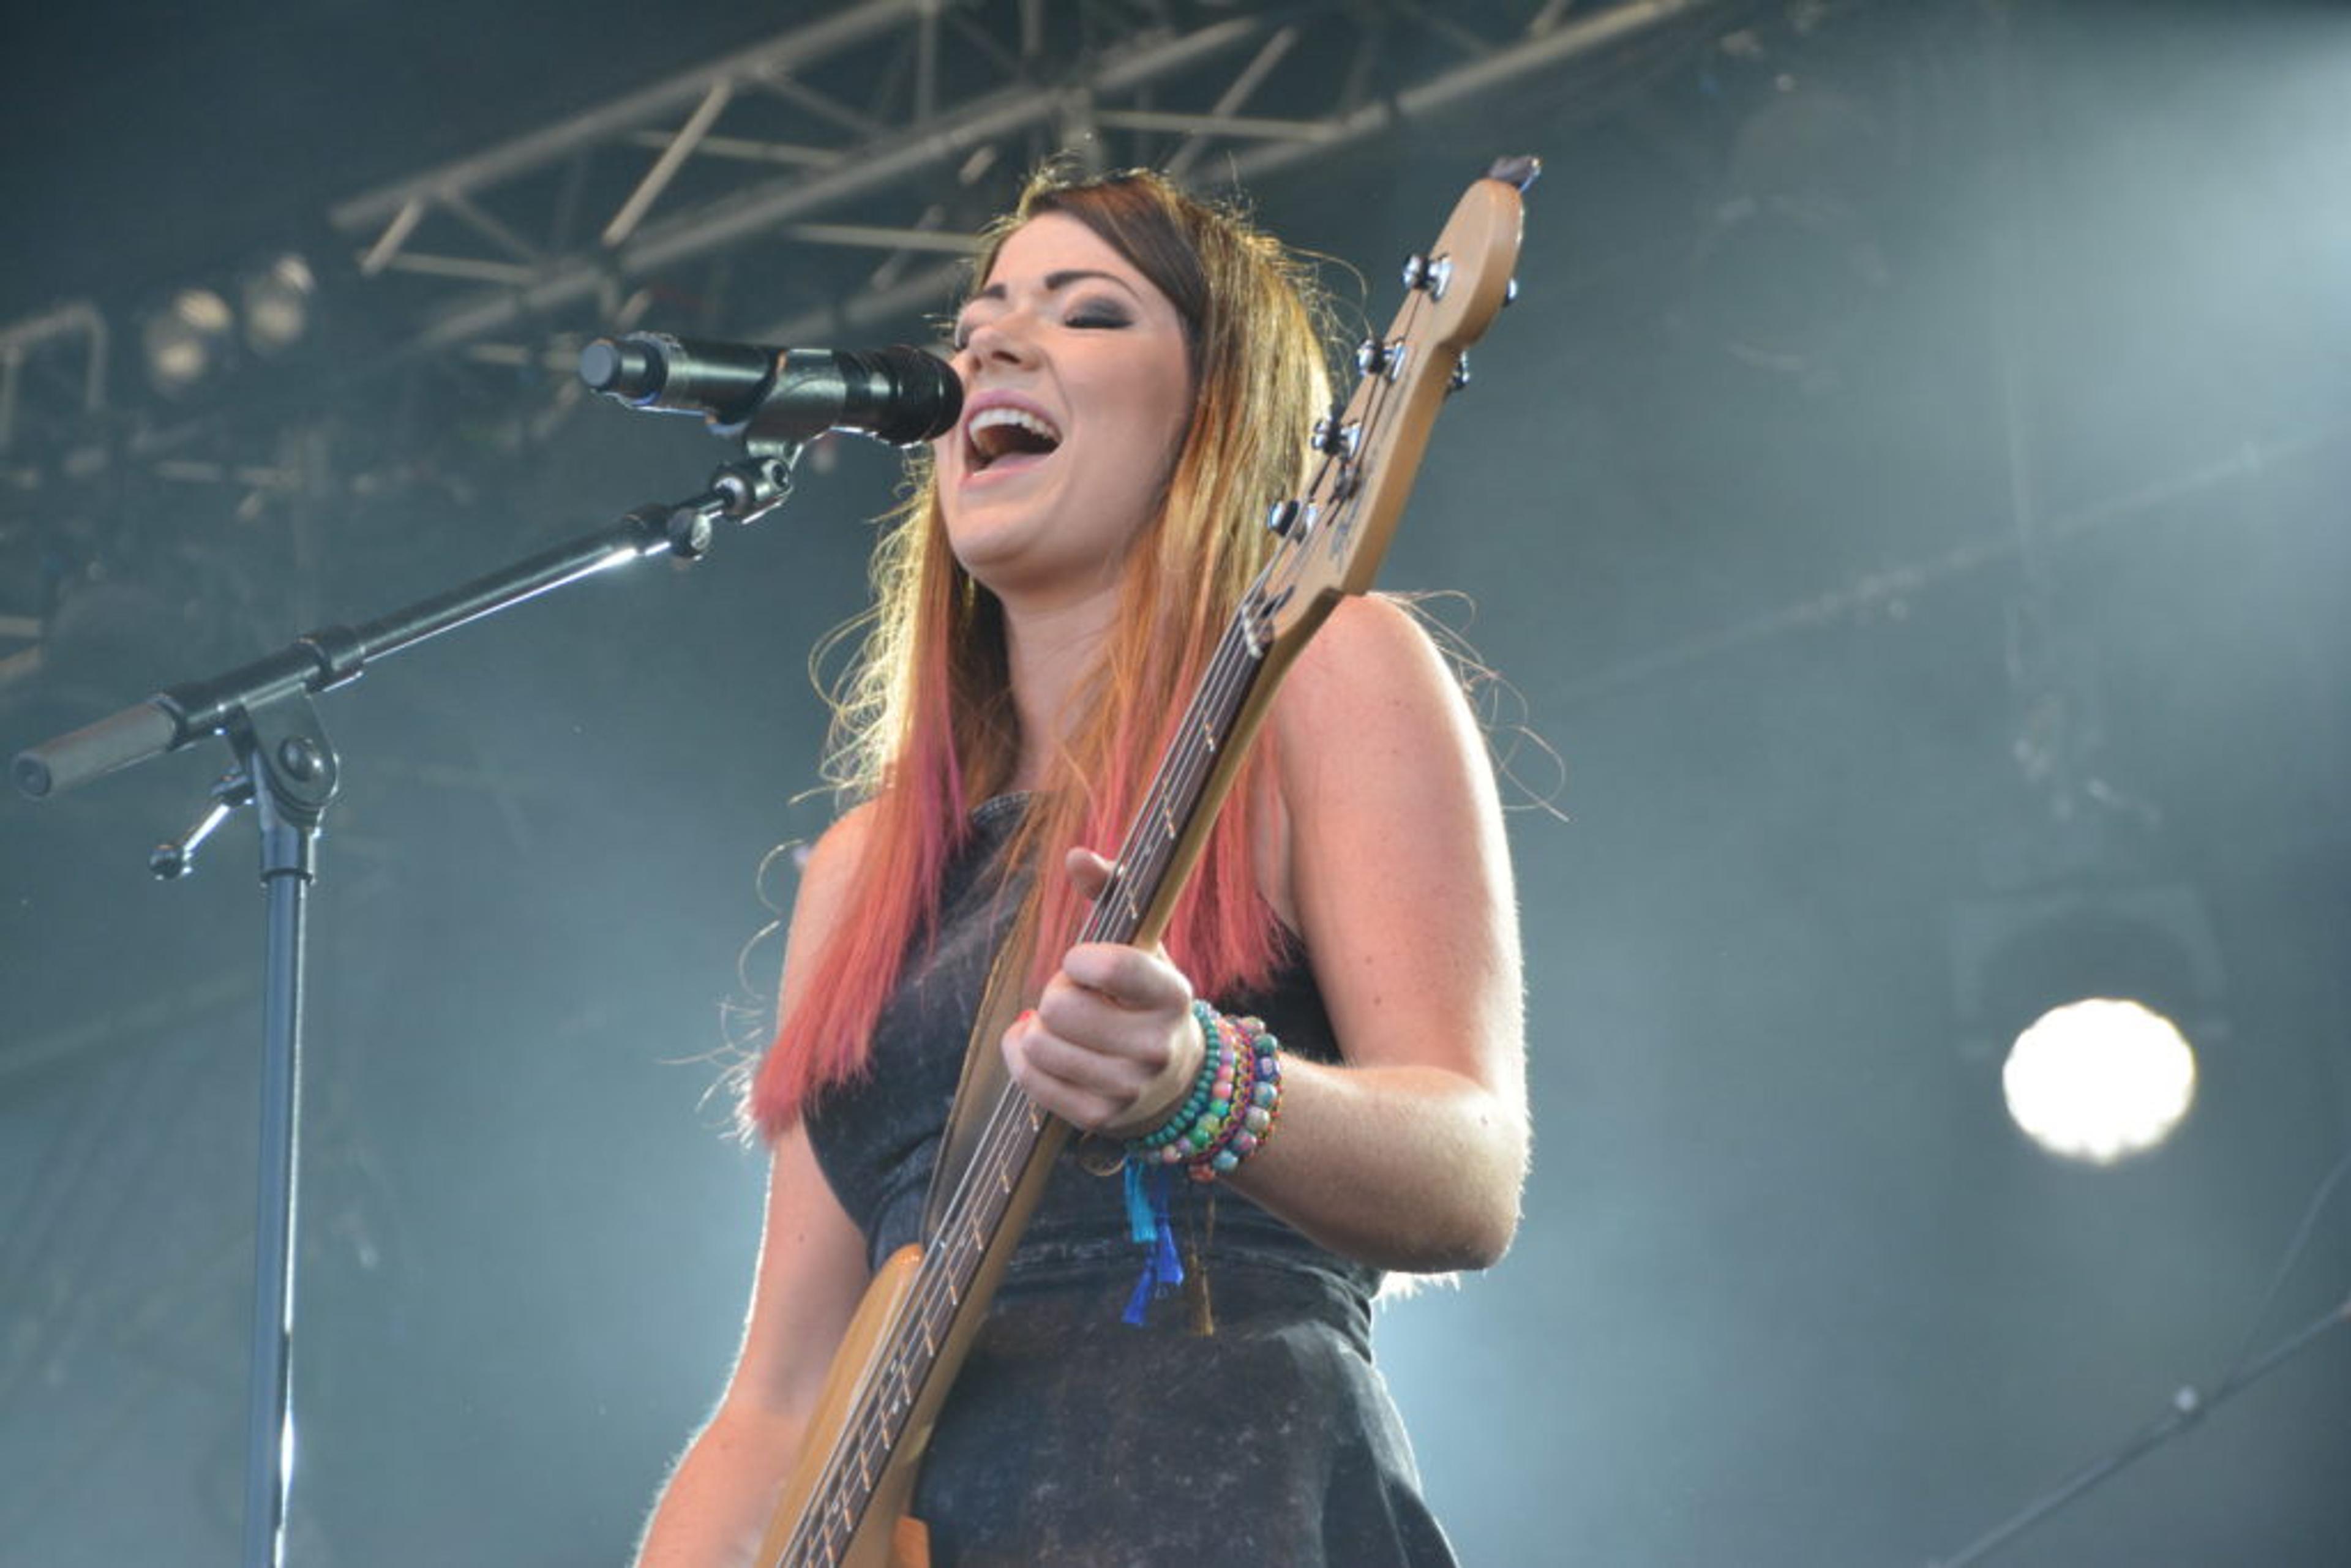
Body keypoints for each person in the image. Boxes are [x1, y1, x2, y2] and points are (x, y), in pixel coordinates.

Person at [634, 165, 1526, 1567]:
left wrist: (1199, 1083)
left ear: (1215, 416)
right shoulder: (863, 868)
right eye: (977, 319)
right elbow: (775, 1408)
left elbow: (1470, 1178)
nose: (990, 342)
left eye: (1088, 312)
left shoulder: (1327, 672)